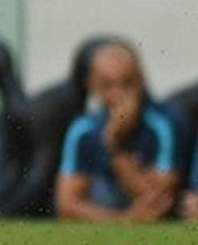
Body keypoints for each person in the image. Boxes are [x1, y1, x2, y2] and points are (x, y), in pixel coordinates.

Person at [55, 40, 182, 221]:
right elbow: (66, 206)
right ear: (92, 85)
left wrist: (115, 145)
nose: (118, 94)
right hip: (109, 219)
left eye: (127, 83)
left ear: (141, 79)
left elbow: (158, 201)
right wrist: (122, 219)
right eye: (108, 85)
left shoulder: (164, 125)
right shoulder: (83, 130)